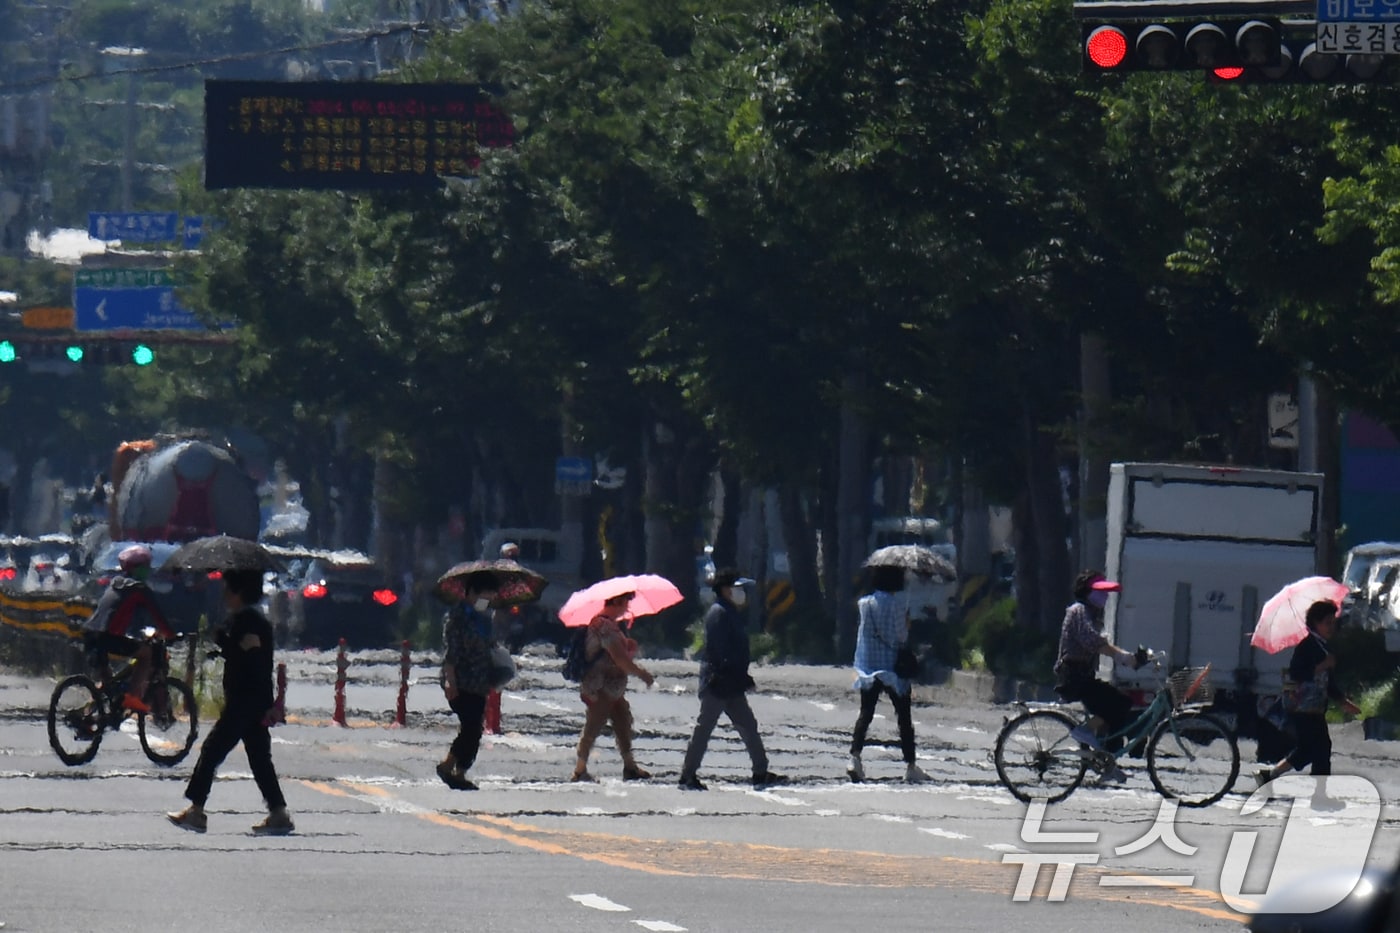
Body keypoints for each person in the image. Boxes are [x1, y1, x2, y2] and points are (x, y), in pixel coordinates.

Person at [168, 568, 293, 835]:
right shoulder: (249, 620)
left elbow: (246, 655)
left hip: (244, 701)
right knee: (260, 759)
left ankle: (196, 810)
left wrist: (223, 640)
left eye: (227, 589)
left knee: (212, 750)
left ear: (239, 593)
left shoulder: (248, 622)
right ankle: (278, 812)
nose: (223, 594)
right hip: (256, 699)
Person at [678, 569, 786, 790]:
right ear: (726, 590)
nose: (741, 592)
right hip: (718, 683)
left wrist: (741, 677)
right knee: (704, 728)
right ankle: (687, 775)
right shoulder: (719, 613)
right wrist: (733, 675)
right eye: (737, 588)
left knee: (748, 725)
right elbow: (721, 650)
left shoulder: (730, 611)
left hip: (732, 683)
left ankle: (760, 771)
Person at [1256, 600, 1361, 794]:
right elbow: (1297, 673)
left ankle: (1272, 776)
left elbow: (1327, 682)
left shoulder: (1322, 647)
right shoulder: (1307, 646)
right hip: (1301, 707)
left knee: (1316, 748)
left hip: (1315, 707)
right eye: (1327, 622)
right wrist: (1323, 665)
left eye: (1333, 622)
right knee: (1315, 748)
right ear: (1315, 623)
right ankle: (1313, 792)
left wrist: (1342, 701)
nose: (1331, 627)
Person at [1053, 569, 1141, 781]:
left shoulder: (1090, 613)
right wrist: (1122, 656)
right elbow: (1091, 641)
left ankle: (1107, 761)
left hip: (1082, 677)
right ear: (1087, 592)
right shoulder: (1079, 611)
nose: (1105, 596)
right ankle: (1086, 733)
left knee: (1119, 704)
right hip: (1075, 678)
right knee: (1118, 704)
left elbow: (1098, 642)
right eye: (1100, 592)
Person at [849, 564, 931, 784]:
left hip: (869, 666)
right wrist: (906, 622)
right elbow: (901, 637)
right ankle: (910, 765)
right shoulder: (897, 605)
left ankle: (854, 758)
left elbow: (863, 635)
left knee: (866, 712)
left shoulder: (864, 604)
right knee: (903, 717)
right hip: (893, 668)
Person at [570, 590, 655, 783]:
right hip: (600, 686)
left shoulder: (612, 626)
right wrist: (642, 674)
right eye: (627, 601)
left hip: (613, 687)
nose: (628, 606)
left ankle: (630, 766)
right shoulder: (603, 626)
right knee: (594, 725)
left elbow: (619, 654)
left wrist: (628, 645)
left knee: (623, 722)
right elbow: (620, 658)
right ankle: (579, 770)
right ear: (617, 600)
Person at [81, 544, 175, 713]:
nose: (149, 570)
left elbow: (118, 613)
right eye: (146, 566)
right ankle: (132, 696)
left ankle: (86, 718)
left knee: (107, 685)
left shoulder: (115, 583)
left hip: (91, 634)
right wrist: (171, 635)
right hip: (106, 637)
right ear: (137, 568)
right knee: (146, 654)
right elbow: (158, 616)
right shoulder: (139, 589)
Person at [438, 572, 500, 790]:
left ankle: (459, 771)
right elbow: (451, 653)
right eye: (485, 596)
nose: (488, 601)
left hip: (480, 681)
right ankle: (449, 765)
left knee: (475, 728)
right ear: (472, 592)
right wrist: (450, 681)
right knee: (471, 726)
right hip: (461, 681)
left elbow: (489, 646)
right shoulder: (457, 618)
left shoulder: (484, 618)